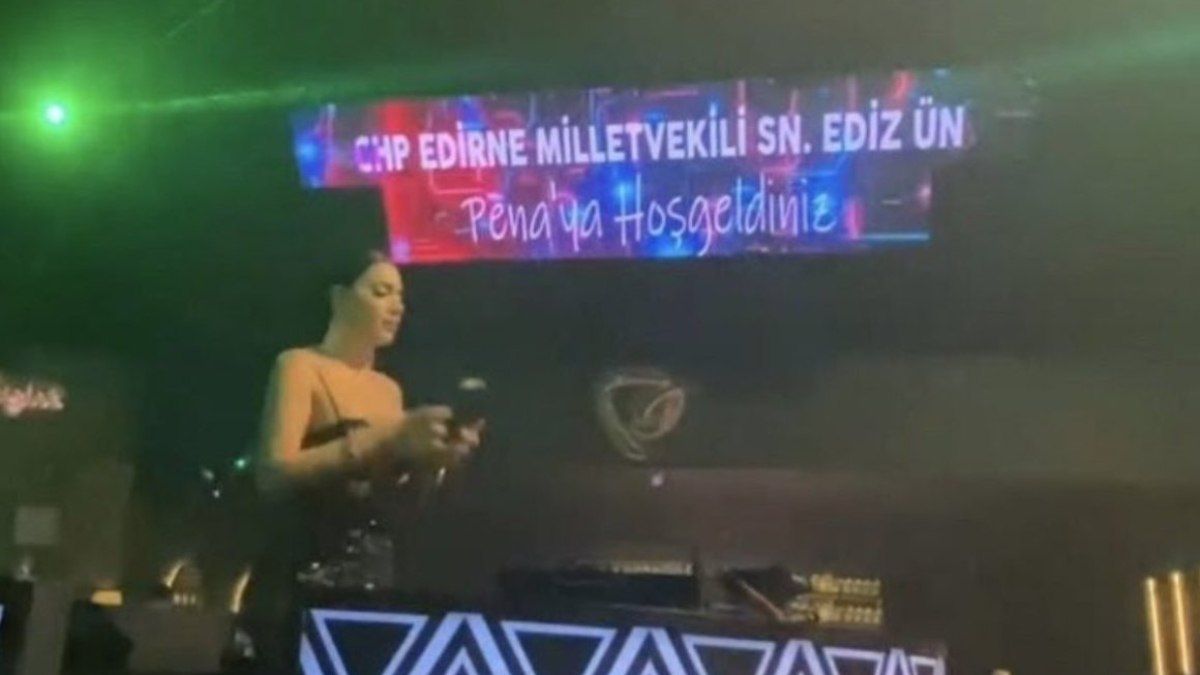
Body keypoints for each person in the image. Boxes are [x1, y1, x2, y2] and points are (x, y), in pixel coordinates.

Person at [242, 249, 482, 672]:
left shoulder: (388, 391)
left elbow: (398, 506)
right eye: (381, 292)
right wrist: (382, 438)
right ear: (340, 298)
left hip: (372, 580)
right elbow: (272, 474)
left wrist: (435, 461)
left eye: (400, 296)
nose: (396, 307)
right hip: (301, 576)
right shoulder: (299, 366)